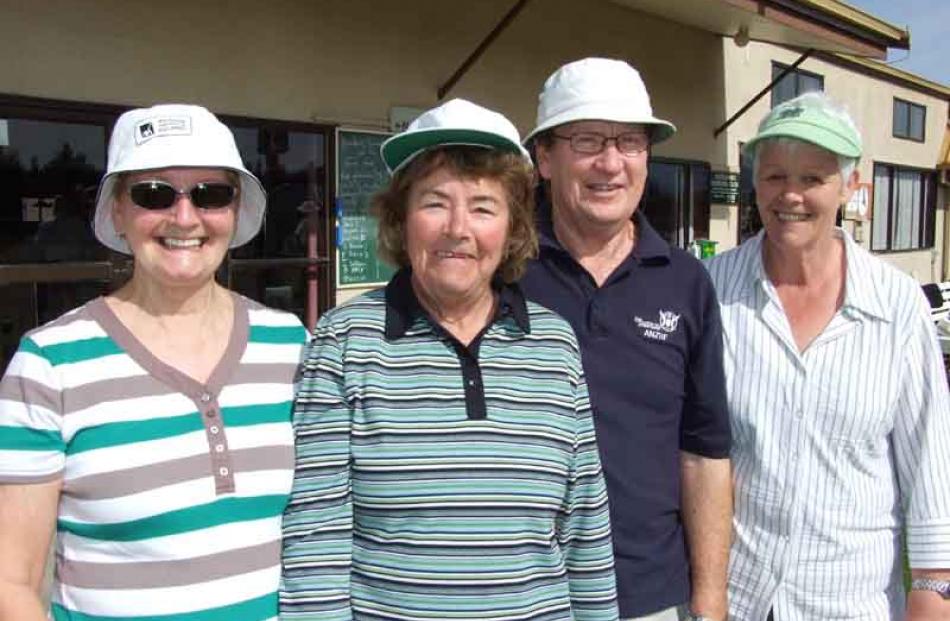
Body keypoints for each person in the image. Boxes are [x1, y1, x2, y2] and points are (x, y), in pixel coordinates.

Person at [280, 98, 619, 621]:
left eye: (484, 207)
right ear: (402, 218)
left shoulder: (554, 343)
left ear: (511, 229)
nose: (457, 228)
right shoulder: (344, 340)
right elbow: (316, 537)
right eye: (435, 202)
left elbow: (585, 528)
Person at [0, 104, 308, 620]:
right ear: (118, 211)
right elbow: (13, 582)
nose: (184, 218)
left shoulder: (291, 344)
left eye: (212, 194)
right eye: (153, 194)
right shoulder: (49, 365)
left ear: (234, 211)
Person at [705, 92, 950, 620]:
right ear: (754, 183)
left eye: (812, 178)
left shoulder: (896, 306)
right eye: (774, 176)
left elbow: (932, 468)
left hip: (848, 603)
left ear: (850, 187)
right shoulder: (711, 291)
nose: (790, 195)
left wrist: (933, 593)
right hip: (739, 600)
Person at [520, 58, 732, 621]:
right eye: (587, 140)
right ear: (544, 157)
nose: (611, 163)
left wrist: (709, 601)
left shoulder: (686, 282)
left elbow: (705, 454)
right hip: (522, 590)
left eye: (630, 142)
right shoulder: (504, 272)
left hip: (650, 598)